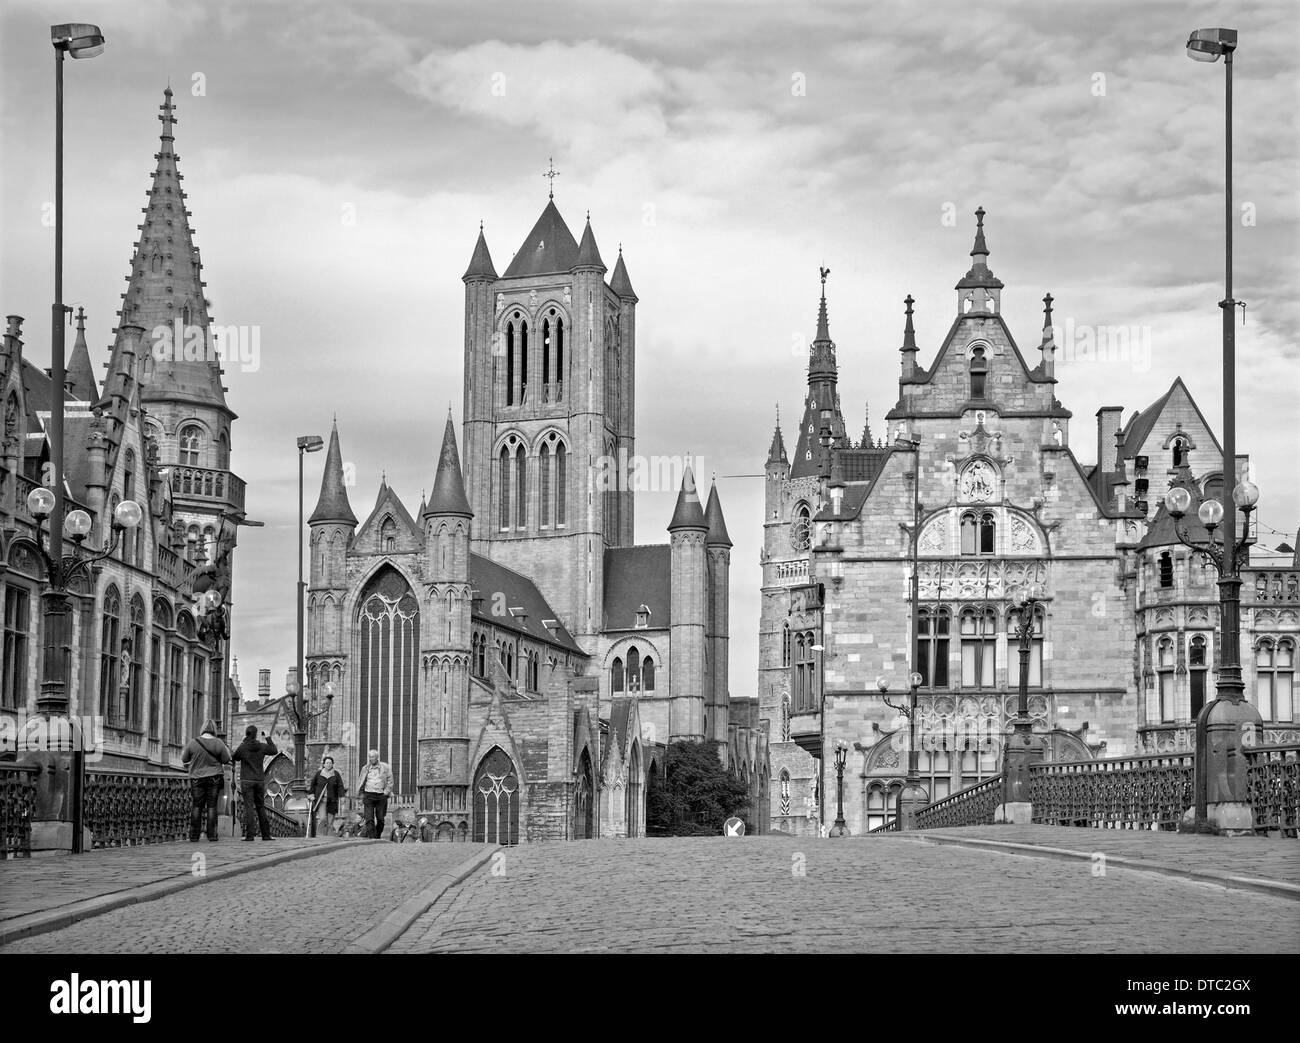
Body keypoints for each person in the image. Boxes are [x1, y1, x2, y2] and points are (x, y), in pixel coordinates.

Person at [181, 719, 231, 842]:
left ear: (203, 729)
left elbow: (184, 759)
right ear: (214, 729)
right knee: (212, 806)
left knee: (197, 806)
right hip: (214, 777)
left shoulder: (193, 742)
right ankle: (212, 835)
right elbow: (226, 759)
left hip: (197, 778)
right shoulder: (218, 743)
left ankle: (194, 835)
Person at [231, 724, 278, 841]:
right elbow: (274, 750)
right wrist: (268, 737)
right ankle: (266, 835)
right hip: (259, 780)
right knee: (260, 807)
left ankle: (250, 835)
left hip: (246, 780)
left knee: (249, 808)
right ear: (256, 734)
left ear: (246, 734)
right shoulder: (261, 746)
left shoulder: (243, 747)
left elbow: (234, 757)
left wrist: (243, 742)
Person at [355, 748, 393, 839]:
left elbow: (390, 781)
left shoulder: (385, 767)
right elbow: (360, 781)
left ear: (377, 757)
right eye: (369, 757)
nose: (371, 759)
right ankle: (373, 837)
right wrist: (359, 795)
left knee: (380, 819)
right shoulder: (365, 768)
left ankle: (377, 835)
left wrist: (386, 792)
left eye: (372, 757)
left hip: (381, 795)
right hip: (368, 795)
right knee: (369, 818)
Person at [308, 756, 346, 836]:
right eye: (327, 763)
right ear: (324, 764)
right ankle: (320, 836)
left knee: (330, 821)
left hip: (332, 800)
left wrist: (342, 796)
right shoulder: (319, 773)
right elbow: (313, 784)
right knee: (322, 819)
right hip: (321, 800)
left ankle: (329, 837)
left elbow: (340, 786)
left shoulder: (336, 774)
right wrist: (311, 794)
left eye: (330, 763)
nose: (329, 764)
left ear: (332, 764)